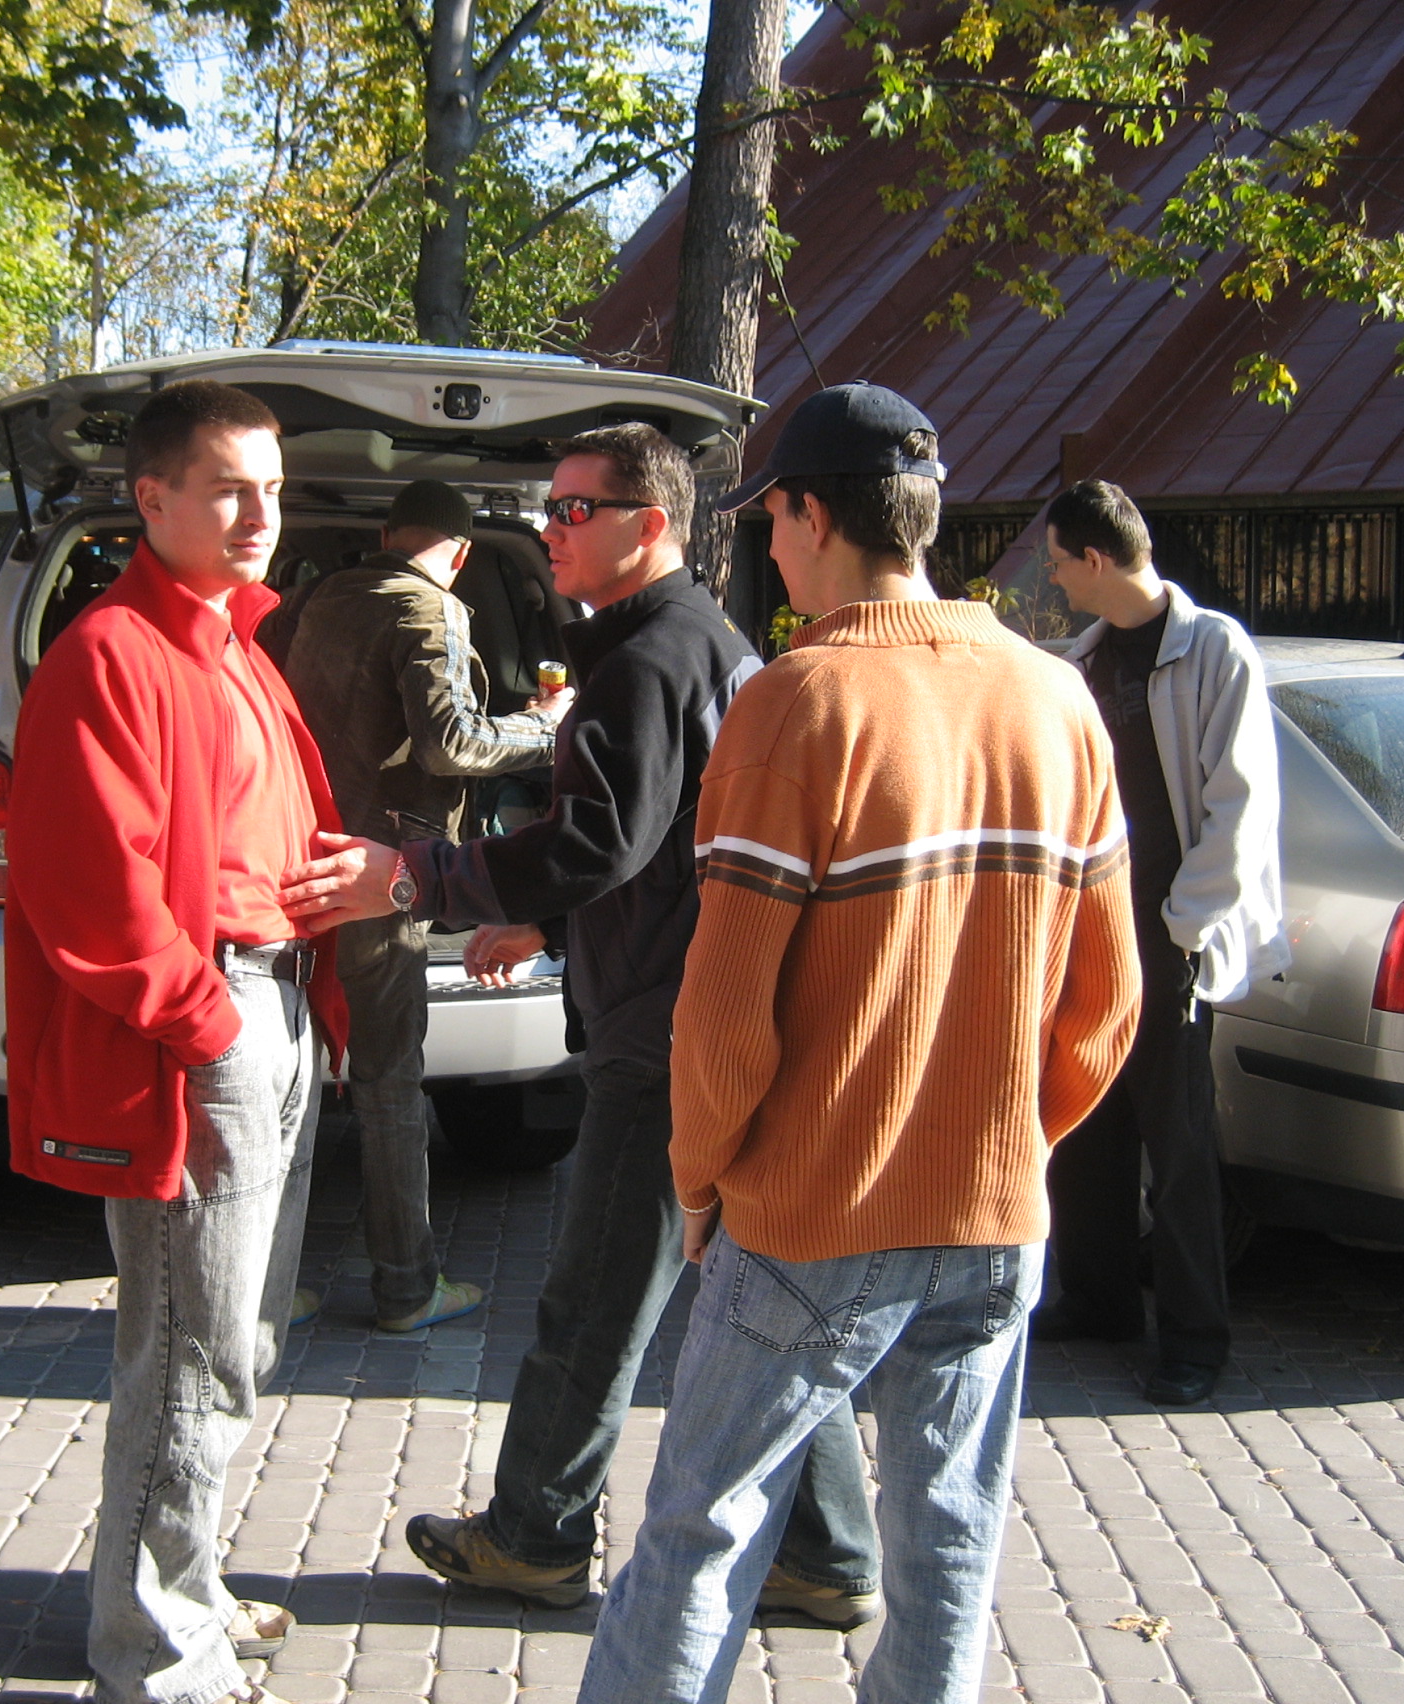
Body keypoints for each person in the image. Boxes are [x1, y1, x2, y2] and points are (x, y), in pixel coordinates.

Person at [570, 382, 1142, 1704]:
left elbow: (722, 1012)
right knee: (949, 1544)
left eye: (771, 519)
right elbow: (1106, 1004)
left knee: (702, 1533)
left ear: (814, 517)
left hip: (811, 1212)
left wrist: (702, 1185)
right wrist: (1011, 1144)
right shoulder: (1058, 701)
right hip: (993, 1216)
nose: (768, 548)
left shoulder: (797, 701)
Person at [279, 423, 882, 1626]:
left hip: (662, 1035)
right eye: (546, 509)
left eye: (569, 511)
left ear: (647, 525)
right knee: (752, 1292)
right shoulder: (698, 643)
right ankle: (826, 1554)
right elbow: (665, 840)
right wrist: (547, 923)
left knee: (599, 1292)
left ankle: (535, 1535)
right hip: (701, 1011)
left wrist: (417, 876)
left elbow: (601, 840)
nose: (545, 530)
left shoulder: (646, 660)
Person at [5, 379, 347, 1704]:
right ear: (153, 499)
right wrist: (208, 1025)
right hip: (212, 1029)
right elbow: (86, 886)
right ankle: (151, 1648)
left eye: (274, 489)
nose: (262, 514)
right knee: (189, 1360)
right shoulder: (112, 653)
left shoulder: (236, 646)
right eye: (229, 490)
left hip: (276, 1010)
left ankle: (184, 1588)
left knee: (238, 1345)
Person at [278, 479, 568, 1332]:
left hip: (296, 858)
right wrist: (548, 727)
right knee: (388, 1082)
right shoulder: (431, 608)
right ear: (463, 552)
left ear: (385, 534)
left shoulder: (317, 600)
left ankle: (264, 1291)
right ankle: (406, 1286)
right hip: (379, 875)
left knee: (284, 1077)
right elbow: (451, 744)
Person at [1039, 478, 1288, 1406]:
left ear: (1095, 558)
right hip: (1091, 929)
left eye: (1059, 562)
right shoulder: (1081, 663)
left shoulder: (1215, 649)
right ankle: (1098, 1299)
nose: (1054, 580)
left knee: (1178, 1148)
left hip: (1171, 934)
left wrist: (1184, 928)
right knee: (1088, 1120)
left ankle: (1194, 1342)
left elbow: (1240, 806)